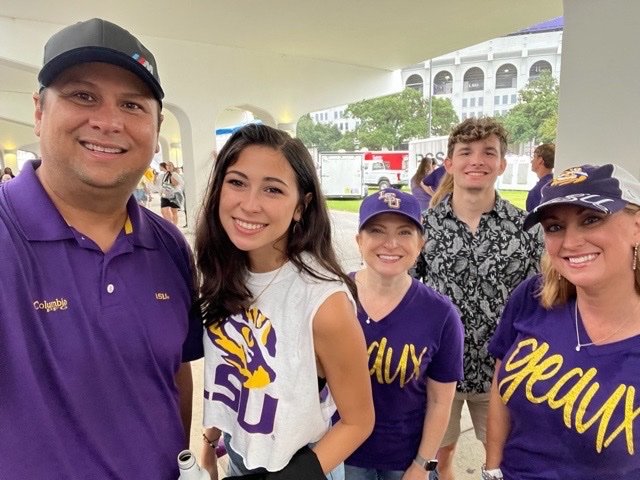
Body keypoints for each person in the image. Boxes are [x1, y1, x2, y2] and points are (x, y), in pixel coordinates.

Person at [0, 18, 203, 479]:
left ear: (154, 126)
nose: (108, 122)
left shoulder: (168, 245)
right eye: (82, 95)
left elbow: (173, 374)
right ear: (38, 110)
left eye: (131, 104)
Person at [195, 124, 374, 479]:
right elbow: (233, 369)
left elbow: (359, 420)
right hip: (238, 454)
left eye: (273, 190)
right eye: (237, 182)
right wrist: (209, 439)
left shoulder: (324, 303)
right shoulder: (222, 272)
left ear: (301, 206)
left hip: (301, 465)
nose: (249, 203)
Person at [485, 163, 640, 480]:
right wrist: (491, 469)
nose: (570, 243)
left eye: (592, 219)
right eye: (555, 227)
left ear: (637, 226)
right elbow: (501, 390)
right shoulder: (533, 297)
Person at [413, 118, 544, 480]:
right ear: (449, 163)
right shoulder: (424, 227)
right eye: (465, 152)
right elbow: (406, 293)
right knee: (440, 456)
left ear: (502, 163)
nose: (477, 160)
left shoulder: (528, 229)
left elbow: (545, 297)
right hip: (440, 373)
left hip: (503, 374)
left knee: (505, 460)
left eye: (489, 152)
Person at [344, 188, 464, 480]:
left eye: (405, 232)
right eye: (377, 230)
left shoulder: (441, 314)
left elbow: (440, 401)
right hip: (341, 453)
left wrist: (422, 465)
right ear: (359, 241)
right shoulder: (334, 297)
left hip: (404, 459)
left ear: (421, 243)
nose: (391, 243)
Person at [525, 143, 555, 211]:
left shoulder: (536, 192)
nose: (531, 161)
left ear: (540, 160)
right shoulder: (557, 185)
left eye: (534, 157)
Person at [159, 160, 184, 225]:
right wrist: (161, 192)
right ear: (166, 166)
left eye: (170, 165)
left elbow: (182, 183)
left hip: (174, 195)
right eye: (167, 165)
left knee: (174, 212)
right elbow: (163, 184)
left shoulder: (175, 174)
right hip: (165, 195)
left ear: (173, 167)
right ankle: (170, 224)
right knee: (163, 211)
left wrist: (175, 184)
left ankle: (174, 226)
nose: (169, 166)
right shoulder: (165, 174)